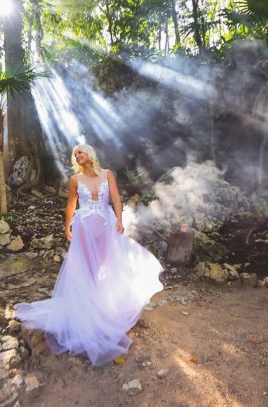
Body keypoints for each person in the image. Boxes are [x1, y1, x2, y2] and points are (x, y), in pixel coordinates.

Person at [13, 144, 164, 366]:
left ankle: (99, 307)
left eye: (80, 152)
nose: (77, 155)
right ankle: (87, 314)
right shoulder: (75, 180)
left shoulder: (107, 174)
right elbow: (71, 205)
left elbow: (116, 198)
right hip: (83, 226)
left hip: (105, 225)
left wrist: (120, 220)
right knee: (86, 267)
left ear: (90, 153)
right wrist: (67, 227)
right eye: (75, 154)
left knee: (103, 266)